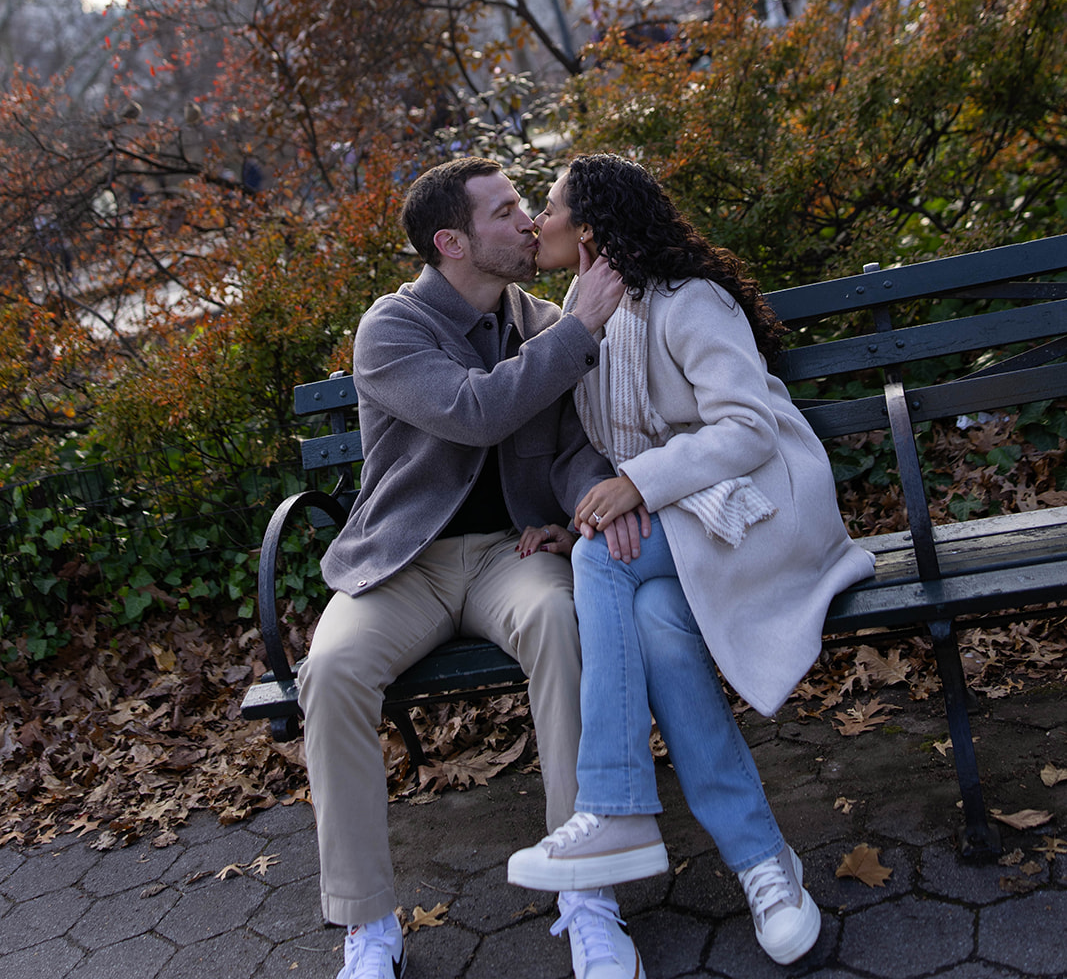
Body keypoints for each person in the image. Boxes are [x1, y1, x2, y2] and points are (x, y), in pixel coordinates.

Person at [508, 154, 876, 967]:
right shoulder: (588, 311)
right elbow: (593, 445)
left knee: (604, 563)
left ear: (592, 226)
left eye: (549, 206)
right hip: (685, 523)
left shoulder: (689, 301)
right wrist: (606, 503)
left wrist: (635, 486)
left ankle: (614, 806)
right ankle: (763, 864)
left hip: (765, 508)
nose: (538, 221)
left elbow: (746, 430)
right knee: (647, 614)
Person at [297, 156, 651, 979]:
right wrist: (579, 328)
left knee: (562, 623)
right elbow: (474, 412)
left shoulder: (534, 319)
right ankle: (367, 924)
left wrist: (585, 508)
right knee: (332, 668)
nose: (529, 221)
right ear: (451, 241)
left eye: (527, 204)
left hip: (511, 555)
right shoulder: (391, 328)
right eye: (505, 211)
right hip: (404, 563)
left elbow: (567, 448)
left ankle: (587, 894)